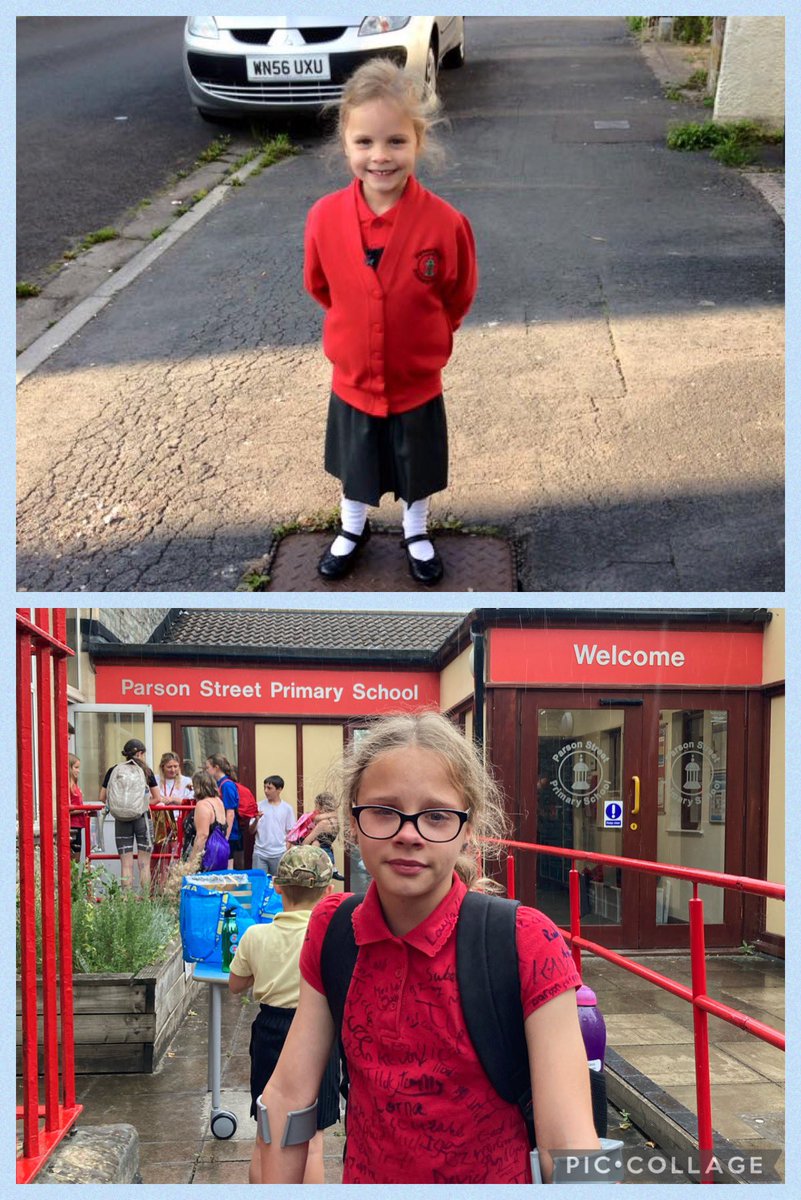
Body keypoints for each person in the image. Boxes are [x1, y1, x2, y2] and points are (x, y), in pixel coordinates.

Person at [257, 712, 599, 1185]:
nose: (408, 833)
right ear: (353, 818)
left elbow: (569, 1142)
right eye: (384, 811)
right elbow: (289, 1096)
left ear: (468, 827)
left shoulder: (526, 942)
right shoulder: (333, 929)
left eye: (436, 816)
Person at [304, 59, 478, 585]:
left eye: (396, 141)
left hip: (415, 378)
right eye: (365, 142)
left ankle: (416, 528)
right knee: (357, 461)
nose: (380, 157)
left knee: (415, 462)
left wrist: (426, 337)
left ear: (418, 141)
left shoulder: (446, 223)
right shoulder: (324, 218)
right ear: (346, 142)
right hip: (353, 377)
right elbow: (320, 285)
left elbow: (458, 292)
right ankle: (351, 526)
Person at [228, 846, 340, 1183]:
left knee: (267, 1136)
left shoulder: (255, 936)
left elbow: (236, 984)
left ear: (276, 887)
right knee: (314, 1140)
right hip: (319, 1033)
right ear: (328, 891)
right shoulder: (333, 938)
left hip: (269, 1032)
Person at [99, 739, 160, 892]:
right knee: (144, 864)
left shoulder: (114, 770)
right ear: (140, 753)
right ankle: (145, 900)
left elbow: (102, 797)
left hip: (121, 820)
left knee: (126, 864)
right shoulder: (146, 771)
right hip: (142, 819)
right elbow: (157, 798)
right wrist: (142, 804)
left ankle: (126, 900)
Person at [153, 752, 194, 888]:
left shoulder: (186, 781)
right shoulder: (155, 780)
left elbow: (191, 800)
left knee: (176, 853)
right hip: (160, 821)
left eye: (176, 766)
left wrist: (173, 799)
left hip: (178, 820)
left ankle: (175, 885)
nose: (173, 770)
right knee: (161, 854)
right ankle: (161, 885)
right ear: (162, 767)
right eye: (169, 767)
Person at [184, 770, 229, 871]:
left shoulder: (203, 805)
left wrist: (191, 863)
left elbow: (202, 836)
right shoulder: (218, 801)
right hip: (218, 855)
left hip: (204, 857)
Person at [253, 776, 295, 876]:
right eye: (264, 788)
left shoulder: (287, 808)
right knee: (259, 883)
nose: (266, 791)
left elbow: (291, 832)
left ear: (279, 789)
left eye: (269, 788)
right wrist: (256, 820)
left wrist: (286, 850)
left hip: (279, 853)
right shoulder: (258, 806)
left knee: (278, 886)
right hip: (260, 853)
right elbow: (251, 830)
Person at [205, 754, 241, 868]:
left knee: (227, 865)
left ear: (216, 768)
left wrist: (225, 837)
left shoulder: (227, 785)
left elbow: (230, 813)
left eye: (208, 767)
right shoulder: (219, 784)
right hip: (221, 832)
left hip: (228, 833)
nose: (206, 771)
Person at [301, 792, 344, 881]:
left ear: (322, 806)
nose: (315, 809)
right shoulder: (336, 821)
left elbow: (306, 842)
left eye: (316, 805)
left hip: (319, 859)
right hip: (329, 857)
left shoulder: (323, 823)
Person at [233, 770, 259, 870]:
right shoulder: (243, 789)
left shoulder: (227, 787)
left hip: (235, 829)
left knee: (235, 862)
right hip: (239, 828)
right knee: (237, 862)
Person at [68, 753, 87, 864]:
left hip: (78, 825)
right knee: (73, 861)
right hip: (72, 826)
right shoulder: (67, 786)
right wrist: (84, 809)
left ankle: (74, 881)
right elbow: (66, 808)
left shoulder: (74, 785)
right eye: (76, 767)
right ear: (69, 768)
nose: (78, 771)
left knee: (76, 860)